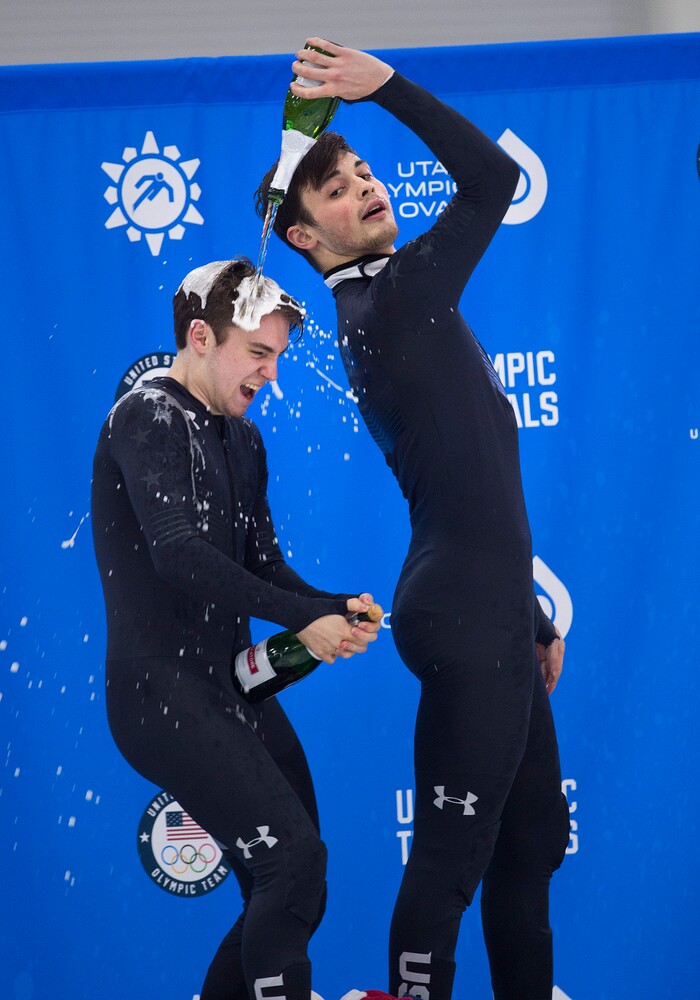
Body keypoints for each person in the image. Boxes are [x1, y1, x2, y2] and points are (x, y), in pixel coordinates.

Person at [256, 40, 571, 1000]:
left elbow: (475, 489)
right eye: (338, 192)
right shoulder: (396, 303)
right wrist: (385, 86)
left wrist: (529, 612)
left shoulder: (401, 300)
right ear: (305, 241)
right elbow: (492, 179)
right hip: (464, 617)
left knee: (529, 853)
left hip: (488, 608)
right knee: (446, 872)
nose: (366, 189)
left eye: (362, 173)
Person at [91, 256, 380, 1000]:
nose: (270, 375)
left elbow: (266, 565)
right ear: (199, 336)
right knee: (291, 861)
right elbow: (178, 554)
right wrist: (303, 620)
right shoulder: (146, 413)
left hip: (228, 690)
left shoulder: (241, 438)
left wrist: (332, 603)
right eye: (258, 353)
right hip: (158, 691)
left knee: (294, 878)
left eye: (278, 357)